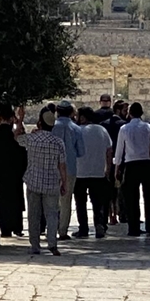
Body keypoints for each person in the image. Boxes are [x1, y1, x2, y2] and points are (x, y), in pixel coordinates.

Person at [14, 106, 67, 257]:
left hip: (33, 182)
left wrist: (20, 121)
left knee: (34, 215)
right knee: (52, 214)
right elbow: (62, 165)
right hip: (51, 183)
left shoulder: (32, 139)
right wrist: (64, 183)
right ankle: (52, 244)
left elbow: (17, 137)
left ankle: (35, 245)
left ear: (39, 122)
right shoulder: (58, 142)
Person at [0, 104, 27, 237]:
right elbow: (23, 154)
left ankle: (5, 228)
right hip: (15, 174)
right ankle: (17, 227)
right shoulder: (16, 135)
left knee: (1, 201)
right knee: (16, 199)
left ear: (0, 117)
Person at [115, 102, 150, 236]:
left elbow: (119, 149)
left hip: (131, 164)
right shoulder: (149, 127)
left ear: (130, 113)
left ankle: (134, 227)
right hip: (147, 163)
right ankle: (149, 226)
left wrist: (117, 168)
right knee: (148, 196)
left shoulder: (124, 128)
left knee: (132, 197)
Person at [73, 107, 112, 238]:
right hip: (98, 171)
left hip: (80, 171)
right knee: (97, 202)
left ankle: (83, 228)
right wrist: (108, 169)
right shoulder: (102, 130)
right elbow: (109, 151)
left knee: (80, 202)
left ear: (83, 117)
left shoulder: (78, 131)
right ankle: (99, 225)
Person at [51, 100, 85, 241]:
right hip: (69, 169)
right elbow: (81, 151)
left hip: (52, 168)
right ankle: (63, 231)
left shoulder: (52, 127)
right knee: (66, 201)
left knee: (51, 201)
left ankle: (50, 229)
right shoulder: (76, 129)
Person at [101, 100, 128, 225]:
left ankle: (109, 214)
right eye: (124, 110)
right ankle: (120, 213)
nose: (126, 113)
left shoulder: (103, 125)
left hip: (106, 159)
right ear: (118, 110)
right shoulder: (123, 125)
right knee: (120, 190)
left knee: (108, 189)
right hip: (121, 160)